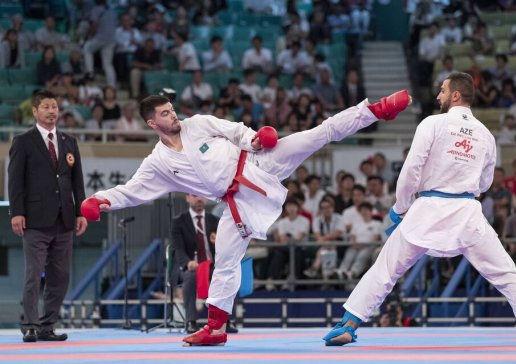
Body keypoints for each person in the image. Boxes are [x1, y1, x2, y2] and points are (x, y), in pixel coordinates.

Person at [81, 88, 411, 346]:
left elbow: (235, 131)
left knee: (317, 134)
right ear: (153, 124)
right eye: (165, 113)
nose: (173, 114)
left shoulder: (197, 123)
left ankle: (376, 110)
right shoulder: (159, 163)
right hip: (236, 200)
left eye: (171, 108)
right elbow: (132, 189)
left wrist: (255, 138)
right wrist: (99, 200)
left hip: (258, 163)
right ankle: (215, 327)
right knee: (225, 259)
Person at [323, 72, 516, 347]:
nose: (438, 96)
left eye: (442, 90)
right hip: (466, 213)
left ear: (455, 95)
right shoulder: (486, 135)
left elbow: (411, 169)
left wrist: (400, 208)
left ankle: (349, 324)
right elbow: (485, 182)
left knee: (385, 269)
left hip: (427, 210)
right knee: (507, 272)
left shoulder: (433, 124)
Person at [8, 90, 88, 343]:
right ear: (35, 111)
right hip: (35, 219)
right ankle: (30, 324)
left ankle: (47, 325)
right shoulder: (23, 141)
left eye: (54, 106)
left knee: (60, 276)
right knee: (34, 274)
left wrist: (80, 212)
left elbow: (77, 182)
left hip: (64, 219)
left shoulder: (68, 141)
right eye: (46, 107)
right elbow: (15, 182)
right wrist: (17, 212)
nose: (52, 111)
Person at [171, 194, 219, 333]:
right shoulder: (179, 221)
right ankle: (191, 321)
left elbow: (222, 245)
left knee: (228, 276)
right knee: (191, 276)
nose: (199, 199)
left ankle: (225, 321)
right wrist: (187, 262)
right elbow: (178, 248)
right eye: (195, 195)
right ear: (187, 198)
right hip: (191, 265)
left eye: (202, 196)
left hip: (211, 264)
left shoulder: (215, 221)